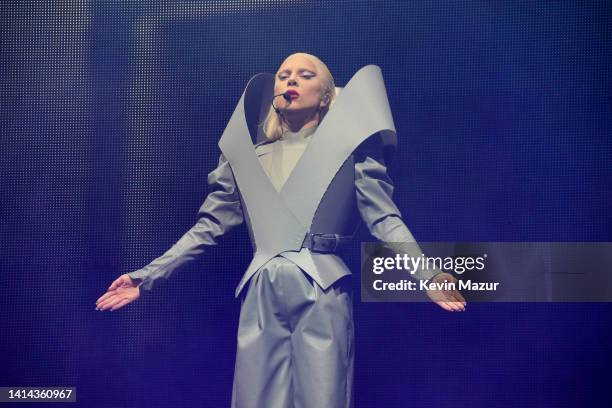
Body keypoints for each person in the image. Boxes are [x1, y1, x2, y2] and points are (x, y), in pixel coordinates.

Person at [95, 52, 467, 408]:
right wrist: (146, 277)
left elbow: (385, 218)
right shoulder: (246, 158)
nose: (291, 79)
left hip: (320, 287)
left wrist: (428, 273)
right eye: (284, 74)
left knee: (323, 398)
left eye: (306, 75)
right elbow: (207, 227)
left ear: (326, 97)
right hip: (261, 288)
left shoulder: (353, 154)